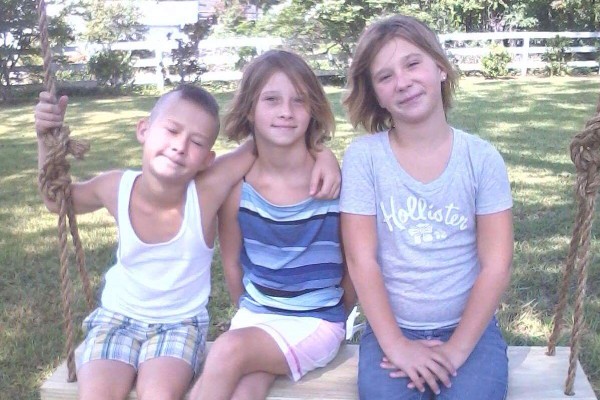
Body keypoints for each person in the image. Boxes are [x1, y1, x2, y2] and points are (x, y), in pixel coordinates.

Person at [34, 84, 340, 400]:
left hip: (179, 325)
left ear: (207, 159)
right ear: (143, 129)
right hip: (115, 319)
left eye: (196, 142)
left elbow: (263, 143)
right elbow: (57, 200)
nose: (180, 146)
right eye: (171, 130)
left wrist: (323, 153)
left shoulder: (206, 192)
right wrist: (45, 138)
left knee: (159, 395)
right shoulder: (114, 187)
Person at [339, 15, 514, 400]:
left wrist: (456, 351)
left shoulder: (481, 159)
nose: (402, 82)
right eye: (385, 76)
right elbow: (361, 260)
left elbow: (497, 264)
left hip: (470, 329)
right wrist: (397, 346)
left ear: (440, 67)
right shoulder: (364, 159)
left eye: (413, 63)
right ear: (376, 94)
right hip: (391, 328)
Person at [189, 50, 357, 400]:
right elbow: (232, 262)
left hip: (315, 321)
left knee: (226, 351)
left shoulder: (333, 185)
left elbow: (355, 264)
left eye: (299, 100)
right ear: (250, 109)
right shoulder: (240, 188)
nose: (286, 111)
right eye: (271, 100)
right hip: (256, 316)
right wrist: (250, 310)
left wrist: (337, 316)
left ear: (313, 110)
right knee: (244, 390)